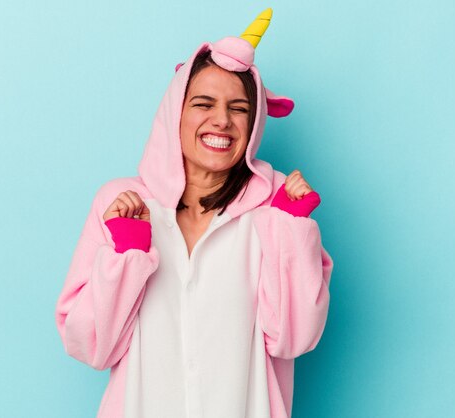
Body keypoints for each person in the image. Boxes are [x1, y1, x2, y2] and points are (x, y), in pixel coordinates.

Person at [55, 8, 333, 418]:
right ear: (176, 113)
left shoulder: (276, 206)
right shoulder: (123, 204)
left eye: (239, 108)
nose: (221, 120)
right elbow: (91, 346)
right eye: (204, 103)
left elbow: (294, 338)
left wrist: (290, 230)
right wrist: (127, 253)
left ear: (254, 122)